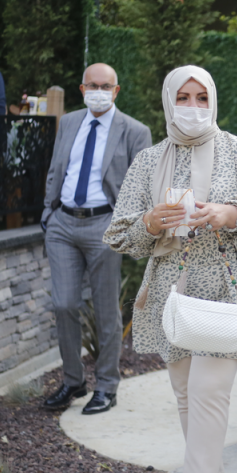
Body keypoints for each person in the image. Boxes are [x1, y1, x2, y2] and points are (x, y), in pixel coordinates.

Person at [104, 65, 237, 473]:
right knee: (187, 396)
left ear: (213, 100)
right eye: (183, 97)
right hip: (171, 291)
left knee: (208, 393)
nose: (193, 107)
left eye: (201, 97)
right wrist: (150, 222)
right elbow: (119, 233)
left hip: (225, 286)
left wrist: (229, 213)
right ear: (169, 101)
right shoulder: (148, 161)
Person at [40, 63, 151, 415]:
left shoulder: (135, 131)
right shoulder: (69, 122)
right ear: (82, 89)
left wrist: (128, 227)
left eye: (106, 86)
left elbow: (142, 186)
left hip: (105, 224)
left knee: (105, 311)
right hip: (62, 224)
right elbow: (56, 169)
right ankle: (73, 381)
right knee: (63, 305)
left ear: (116, 91)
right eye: (92, 85)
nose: (99, 91)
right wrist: (48, 213)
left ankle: (106, 386)